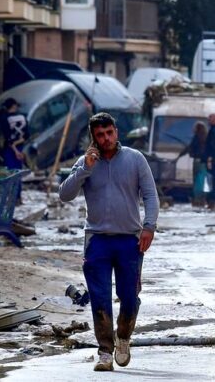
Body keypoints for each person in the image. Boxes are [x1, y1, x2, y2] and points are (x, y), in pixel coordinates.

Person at [59, 113, 159, 372]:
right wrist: (85, 169)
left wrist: (149, 226)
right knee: (100, 298)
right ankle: (104, 351)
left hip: (130, 240)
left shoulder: (135, 159)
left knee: (129, 297)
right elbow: (65, 194)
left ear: (116, 131)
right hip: (97, 241)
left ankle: (123, 337)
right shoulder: (85, 163)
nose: (105, 139)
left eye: (109, 133)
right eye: (100, 135)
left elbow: (150, 194)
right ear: (93, 137)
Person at [178, 121, 207, 207]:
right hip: (203, 161)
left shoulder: (197, 137)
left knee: (197, 179)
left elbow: (190, 147)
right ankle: (202, 199)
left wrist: (180, 155)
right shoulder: (205, 137)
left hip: (198, 161)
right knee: (202, 180)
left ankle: (197, 199)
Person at [0, 98, 28, 169]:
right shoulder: (23, 117)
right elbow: (27, 135)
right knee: (18, 171)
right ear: (14, 106)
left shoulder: (4, 118)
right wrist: (17, 148)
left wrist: (15, 150)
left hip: (9, 149)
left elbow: (8, 137)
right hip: (20, 147)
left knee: (10, 171)